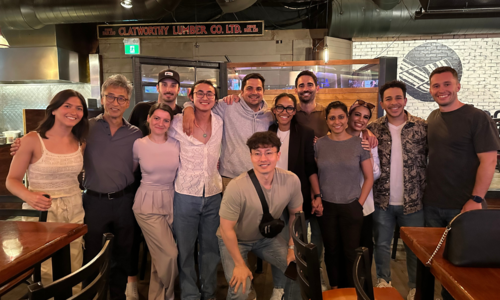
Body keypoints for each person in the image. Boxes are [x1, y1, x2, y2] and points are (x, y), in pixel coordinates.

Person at [423, 67, 500, 300]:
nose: (441, 90)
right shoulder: (433, 117)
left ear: (457, 86)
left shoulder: (477, 118)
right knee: (434, 262)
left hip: (464, 206)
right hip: (432, 203)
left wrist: (476, 199)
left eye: (447, 84)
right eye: (436, 86)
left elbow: (489, 161)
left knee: (461, 268)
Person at [6, 89, 88, 293]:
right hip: (42, 210)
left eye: (79, 108)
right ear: (53, 110)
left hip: (74, 207)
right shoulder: (33, 139)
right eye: (67, 106)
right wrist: (29, 196)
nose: (73, 111)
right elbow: (12, 180)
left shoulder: (80, 141)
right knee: (45, 268)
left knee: (74, 260)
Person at [218, 131, 302, 300]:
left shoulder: (291, 180)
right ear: (250, 156)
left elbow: (296, 216)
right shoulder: (237, 187)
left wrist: (293, 248)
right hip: (236, 240)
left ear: (278, 155)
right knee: (240, 289)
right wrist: (240, 264)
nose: (263, 159)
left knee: (299, 271)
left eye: (269, 152)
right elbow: (226, 229)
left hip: (266, 238)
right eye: (257, 153)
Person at [83, 74, 143, 300]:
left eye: (121, 98)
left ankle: (118, 296)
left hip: (124, 202)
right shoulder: (86, 127)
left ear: (127, 103)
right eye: (111, 97)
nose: (115, 103)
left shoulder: (135, 133)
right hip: (93, 202)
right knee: (91, 256)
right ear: (102, 98)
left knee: (123, 254)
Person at [126, 69, 184, 299]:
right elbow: (128, 171)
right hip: (147, 201)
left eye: (166, 120)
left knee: (159, 256)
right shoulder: (137, 144)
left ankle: (157, 296)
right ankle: (168, 296)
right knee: (169, 254)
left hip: (172, 200)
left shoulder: (177, 143)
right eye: (156, 118)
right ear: (147, 119)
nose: (161, 122)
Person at [367, 80, 427, 300]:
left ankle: (414, 286)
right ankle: (383, 281)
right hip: (382, 200)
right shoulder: (372, 129)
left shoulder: (421, 127)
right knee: (381, 244)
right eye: (389, 99)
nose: (394, 103)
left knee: (414, 248)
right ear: (382, 103)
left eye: (398, 98)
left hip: (413, 201)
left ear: (405, 100)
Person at [169, 80, 223, 300]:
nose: (204, 97)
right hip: (185, 193)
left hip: (213, 193)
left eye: (209, 94)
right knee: (185, 248)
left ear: (215, 99)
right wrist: (186, 108)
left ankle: (208, 292)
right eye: (199, 93)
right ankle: (190, 293)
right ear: (191, 96)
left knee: (211, 248)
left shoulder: (220, 122)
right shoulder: (177, 122)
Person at [315, 101, 373, 288]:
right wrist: (316, 197)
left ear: (347, 119)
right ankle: (334, 289)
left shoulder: (360, 144)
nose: (337, 121)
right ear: (327, 121)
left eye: (341, 117)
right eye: (332, 118)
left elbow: (369, 177)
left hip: (351, 206)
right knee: (331, 251)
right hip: (327, 206)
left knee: (351, 252)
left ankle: (351, 290)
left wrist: (359, 204)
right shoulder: (320, 144)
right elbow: (315, 174)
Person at [182, 73, 274, 191]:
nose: (254, 92)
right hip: (230, 177)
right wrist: (188, 107)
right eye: (249, 88)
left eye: (258, 89)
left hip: (259, 177)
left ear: (263, 91)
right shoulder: (228, 106)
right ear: (242, 91)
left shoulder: (269, 116)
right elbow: (203, 104)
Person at [345, 99, 381, 263]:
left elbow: (376, 173)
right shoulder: (337, 138)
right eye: (357, 114)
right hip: (341, 202)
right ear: (349, 115)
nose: (360, 120)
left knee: (365, 246)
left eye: (365, 117)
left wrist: (369, 155)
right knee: (343, 247)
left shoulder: (370, 142)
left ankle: (364, 285)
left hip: (364, 204)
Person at [129, 69, 183, 136]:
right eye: (164, 85)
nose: (168, 90)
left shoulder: (182, 114)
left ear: (178, 90)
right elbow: (127, 135)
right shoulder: (141, 109)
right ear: (157, 88)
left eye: (173, 86)